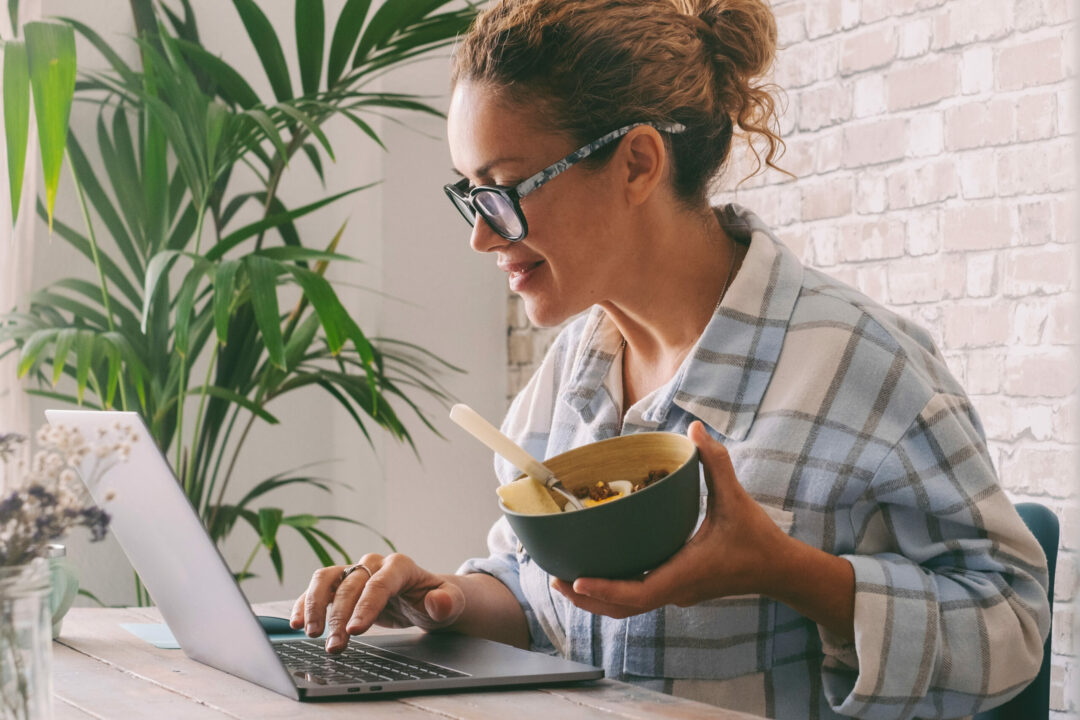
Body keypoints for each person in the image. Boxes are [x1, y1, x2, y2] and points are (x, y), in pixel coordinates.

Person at [291, 1, 1051, 717]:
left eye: (504, 190)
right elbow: (535, 592)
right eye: (472, 195)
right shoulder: (569, 374)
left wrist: (787, 571)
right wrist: (444, 600)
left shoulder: (867, 369)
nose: (482, 236)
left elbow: (1015, 628)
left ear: (636, 164)